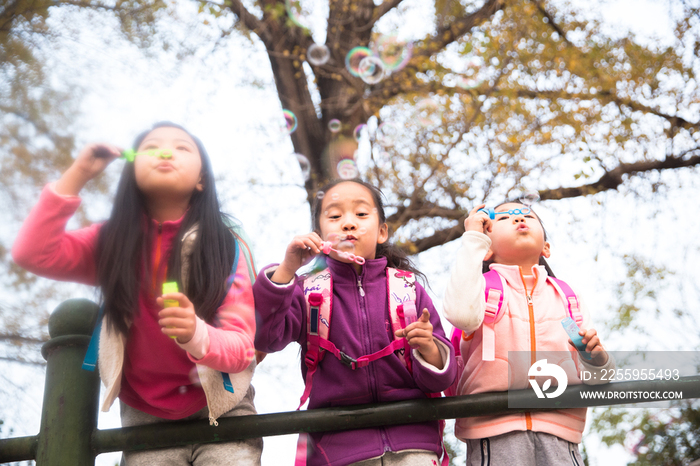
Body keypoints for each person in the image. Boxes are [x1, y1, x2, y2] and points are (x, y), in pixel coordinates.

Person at [12, 122, 263, 465]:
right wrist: (79, 173)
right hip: (146, 416)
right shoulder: (111, 242)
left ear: (201, 179)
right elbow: (33, 253)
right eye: (152, 146)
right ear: (131, 172)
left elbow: (241, 348)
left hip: (223, 406)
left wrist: (196, 334)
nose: (164, 151)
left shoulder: (223, 246)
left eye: (182, 148)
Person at [253, 179, 456, 466]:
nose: (348, 224)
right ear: (319, 235)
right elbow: (265, 337)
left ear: (382, 231)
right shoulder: (308, 291)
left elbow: (443, 378)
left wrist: (429, 350)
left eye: (361, 214)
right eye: (335, 216)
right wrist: (286, 270)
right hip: (339, 452)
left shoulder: (407, 289)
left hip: (413, 444)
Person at [442, 201, 615, 466]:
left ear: (546, 247)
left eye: (527, 216)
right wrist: (473, 239)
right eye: (503, 219)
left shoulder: (568, 298)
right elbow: (461, 315)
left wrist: (597, 359)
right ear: (486, 247)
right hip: (494, 429)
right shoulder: (482, 290)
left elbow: (599, 379)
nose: (518, 219)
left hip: (560, 431)